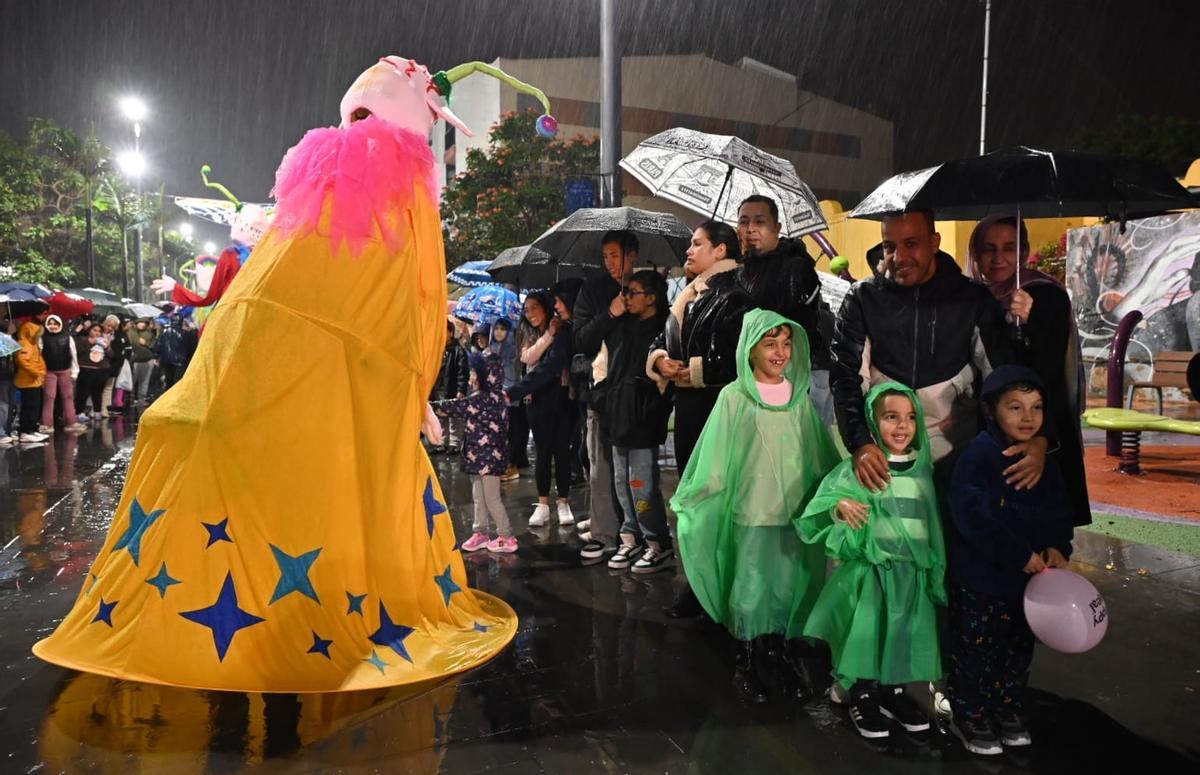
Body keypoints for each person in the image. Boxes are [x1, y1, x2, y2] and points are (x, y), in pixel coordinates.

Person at [671, 310, 840, 704]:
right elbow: (715, 454)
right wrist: (695, 495)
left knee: (786, 582)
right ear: (749, 351)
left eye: (786, 344)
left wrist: (834, 488)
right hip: (752, 509)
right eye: (770, 344)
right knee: (751, 582)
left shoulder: (798, 398)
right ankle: (748, 655)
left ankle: (776, 648)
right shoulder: (734, 397)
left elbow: (816, 451)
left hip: (792, 511)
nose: (780, 352)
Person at [831, 211, 1043, 489]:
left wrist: (1023, 440)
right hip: (886, 457)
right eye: (889, 246)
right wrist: (860, 443)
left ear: (934, 242)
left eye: (911, 243)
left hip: (958, 455)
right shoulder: (862, 298)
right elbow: (846, 378)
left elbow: (1002, 379)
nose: (899, 257)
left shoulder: (973, 299)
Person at [799, 383, 946, 740]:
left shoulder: (922, 469)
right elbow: (821, 507)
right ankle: (862, 693)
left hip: (910, 576)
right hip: (870, 576)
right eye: (891, 417)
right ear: (871, 422)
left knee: (901, 635)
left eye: (911, 417)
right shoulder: (860, 469)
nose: (902, 426)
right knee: (866, 634)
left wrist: (932, 569)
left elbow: (933, 526)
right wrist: (840, 506)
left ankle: (892, 691)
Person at [947, 365, 1073, 756]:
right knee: (977, 652)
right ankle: (970, 714)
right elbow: (972, 518)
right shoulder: (978, 457)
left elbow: (1058, 512)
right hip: (983, 581)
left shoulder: (1045, 462)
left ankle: (1007, 707)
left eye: (1036, 408)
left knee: (1017, 649)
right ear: (991, 410)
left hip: (1028, 586)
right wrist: (1018, 555)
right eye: (1015, 407)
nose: (1027, 417)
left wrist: (1058, 547)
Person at [646, 220, 751, 613]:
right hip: (689, 408)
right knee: (692, 496)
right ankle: (700, 582)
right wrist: (660, 360)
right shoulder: (689, 295)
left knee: (715, 497)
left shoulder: (735, 295)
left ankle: (711, 587)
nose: (688, 252)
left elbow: (742, 357)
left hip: (717, 408)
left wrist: (694, 370)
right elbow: (663, 340)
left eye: (696, 244)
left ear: (721, 251)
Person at [969, 215, 1091, 526]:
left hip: (1039, 426)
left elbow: (1049, 367)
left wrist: (1030, 320)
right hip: (992, 426)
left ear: (1023, 252)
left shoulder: (1043, 293)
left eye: (1009, 248)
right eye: (988, 248)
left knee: (1040, 522)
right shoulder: (977, 297)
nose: (998, 258)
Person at [601, 270, 674, 573]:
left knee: (641, 485)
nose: (626, 297)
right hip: (618, 417)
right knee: (621, 482)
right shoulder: (623, 326)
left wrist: (650, 410)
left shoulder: (664, 329)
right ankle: (630, 536)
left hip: (643, 421)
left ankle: (657, 541)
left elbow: (661, 382)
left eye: (633, 292)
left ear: (652, 298)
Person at [572, 230, 637, 559]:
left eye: (616, 255)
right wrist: (611, 313)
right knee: (601, 468)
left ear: (633, 255)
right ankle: (604, 533)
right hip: (601, 392)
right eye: (606, 256)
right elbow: (580, 339)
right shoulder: (594, 290)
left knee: (637, 470)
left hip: (638, 394)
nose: (611, 262)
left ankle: (638, 534)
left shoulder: (647, 289)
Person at [734, 195, 828, 407]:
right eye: (743, 222)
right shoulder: (738, 271)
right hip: (751, 377)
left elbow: (800, 329)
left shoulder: (796, 268)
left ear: (777, 228)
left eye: (759, 221)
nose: (750, 229)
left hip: (790, 375)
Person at [433, 352, 517, 554]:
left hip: (487, 460)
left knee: (491, 498)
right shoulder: (498, 398)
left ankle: (506, 536)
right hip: (481, 459)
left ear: (485, 376)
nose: (471, 377)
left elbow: (453, 407)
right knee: (478, 495)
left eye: (473, 372)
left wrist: (429, 406)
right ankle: (481, 532)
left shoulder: (481, 400)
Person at [508, 290, 575, 527]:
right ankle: (543, 503)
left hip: (561, 395)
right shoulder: (528, 332)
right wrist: (548, 334)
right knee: (543, 451)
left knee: (562, 451)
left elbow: (557, 362)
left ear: (545, 308)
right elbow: (527, 358)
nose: (530, 313)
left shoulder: (564, 329)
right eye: (526, 310)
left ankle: (564, 502)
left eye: (534, 307)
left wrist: (557, 329)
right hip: (535, 398)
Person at [488, 317, 525, 480]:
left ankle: (512, 465)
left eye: (503, 329)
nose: (498, 332)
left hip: (512, 397)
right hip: (496, 398)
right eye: (496, 328)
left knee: (512, 432)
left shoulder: (514, 350)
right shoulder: (491, 348)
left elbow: (515, 375)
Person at [39, 314, 85, 434]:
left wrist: (75, 372)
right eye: (50, 323)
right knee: (49, 397)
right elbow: (39, 356)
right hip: (48, 371)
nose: (52, 326)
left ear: (60, 324)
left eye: (55, 323)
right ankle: (47, 424)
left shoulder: (68, 337)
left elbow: (73, 355)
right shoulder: (42, 338)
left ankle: (71, 422)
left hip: (65, 370)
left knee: (68, 396)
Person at [429, 319, 470, 453]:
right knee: (440, 416)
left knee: (454, 417)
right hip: (439, 388)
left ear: (451, 333)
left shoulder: (459, 351)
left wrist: (461, 389)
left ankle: (454, 444)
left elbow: (462, 372)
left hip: (452, 388)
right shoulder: (436, 350)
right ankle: (441, 442)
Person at [13, 320, 49, 443]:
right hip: (28, 381)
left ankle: (32, 429)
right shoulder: (24, 344)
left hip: (34, 381)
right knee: (30, 406)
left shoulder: (32, 344)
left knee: (35, 406)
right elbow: (24, 361)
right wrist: (37, 372)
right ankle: (25, 430)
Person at [75, 323, 112, 421]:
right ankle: (79, 412)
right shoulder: (82, 339)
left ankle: (97, 412)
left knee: (97, 392)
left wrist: (107, 348)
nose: (97, 333)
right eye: (94, 330)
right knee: (82, 392)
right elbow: (78, 352)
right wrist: (90, 342)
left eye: (99, 331)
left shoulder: (104, 341)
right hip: (85, 369)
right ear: (90, 330)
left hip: (100, 370)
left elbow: (112, 356)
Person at [153, 317, 188, 391]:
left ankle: (167, 398)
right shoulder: (184, 333)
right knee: (178, 383)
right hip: (181, 361)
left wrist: (156, 355)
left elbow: (158, 345)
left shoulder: (163, 332)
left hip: (166, 360)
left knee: (168, 382)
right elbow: (189, 347)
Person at [130, 318, 157, 404]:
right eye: (140, 322)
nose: (142, 324)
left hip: (148, 360)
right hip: (134, 361)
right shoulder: (131, 332)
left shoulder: (149, 333)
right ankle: (130, 399)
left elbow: (154, 345)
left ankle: (141, 399)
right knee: (132, 381)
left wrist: (146, 344)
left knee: (144, 381)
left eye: (144, 323)